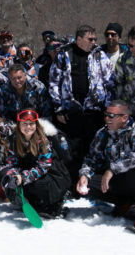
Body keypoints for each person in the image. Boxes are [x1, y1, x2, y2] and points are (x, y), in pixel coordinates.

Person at [76, 100, 135, 236]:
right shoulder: (102, 133)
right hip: (119, 181)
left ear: (124, 118)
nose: (107, 119)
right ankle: (125, 203)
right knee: (89, 183)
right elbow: (91, 158)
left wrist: (111, 170)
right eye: (106, 115)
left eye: (111, 116)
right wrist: (84, 176)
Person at [49, 24, 114, 170]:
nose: (93, 42)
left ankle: (91, 180)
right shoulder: (64, 54)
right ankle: (73, 181)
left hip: (94, 110)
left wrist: (108, 109)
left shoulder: (99, 55)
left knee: (94, 147)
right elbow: (54, 82)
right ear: (79, 39)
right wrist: (58, 109)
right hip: (72, 111)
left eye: (95, 39)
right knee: (73, 150)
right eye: (90, 39)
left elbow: (110, 82)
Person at [0, 109, 71, 218]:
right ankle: (32, 201)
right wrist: (13, 176)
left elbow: (43, 166)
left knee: (37, 186)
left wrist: (22, 177)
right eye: (25, 124)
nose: (28, 127)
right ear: (19, 125)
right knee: (7, 178)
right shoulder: (13, 140)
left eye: (31, 124)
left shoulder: (43, 140)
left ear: (36, 125)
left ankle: (56, 201)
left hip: (52, 176)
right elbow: (11, 162)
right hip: (29, 173)